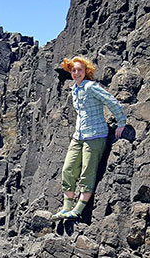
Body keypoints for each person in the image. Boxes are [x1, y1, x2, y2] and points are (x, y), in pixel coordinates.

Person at [51, 56, 126, 220]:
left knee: (87, 172)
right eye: (73, 70)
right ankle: (66, 207)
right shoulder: (74, 89)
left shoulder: (91, 87)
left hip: (95, 135)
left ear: (86, 71)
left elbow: (111, 100)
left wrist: (121, 122)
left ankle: (77, 210)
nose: (76, 73)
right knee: (68, 170)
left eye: (80, 70)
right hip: (78, 136)